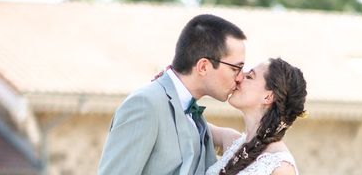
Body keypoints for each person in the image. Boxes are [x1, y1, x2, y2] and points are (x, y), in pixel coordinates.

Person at [97, 13, 247, 175]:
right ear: (203, 66)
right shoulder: (145, 104)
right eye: (235, 68)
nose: (240, 78)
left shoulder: (193, 114)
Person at [206, 58, 307, 175]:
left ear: (268, 97)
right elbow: (187, 120)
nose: (239, 78)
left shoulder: (281, 167)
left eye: (249, 76)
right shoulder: (230, 141)